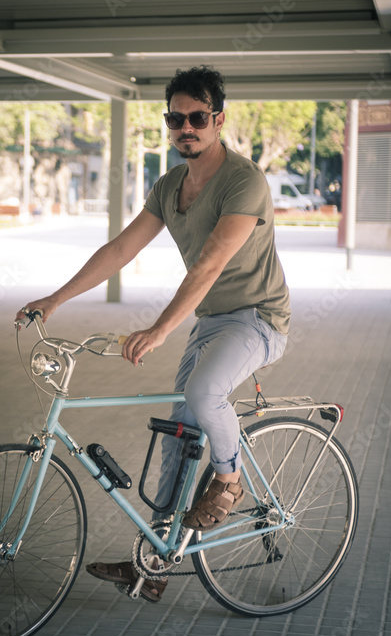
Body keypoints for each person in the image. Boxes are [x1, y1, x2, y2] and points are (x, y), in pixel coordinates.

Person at [16, 66, 290, 603]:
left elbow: (210, 263)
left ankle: (229, 480)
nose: (185, 127)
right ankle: (156, 559)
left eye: (197, 118)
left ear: (218, 120)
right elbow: (120, 250)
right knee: (178, 436)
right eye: (175, 118)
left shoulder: (244, 181)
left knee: (204, 394)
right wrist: (55, 299)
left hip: (258, 318)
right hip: (212, 322)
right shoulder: (169, 186)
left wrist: (162, 328)